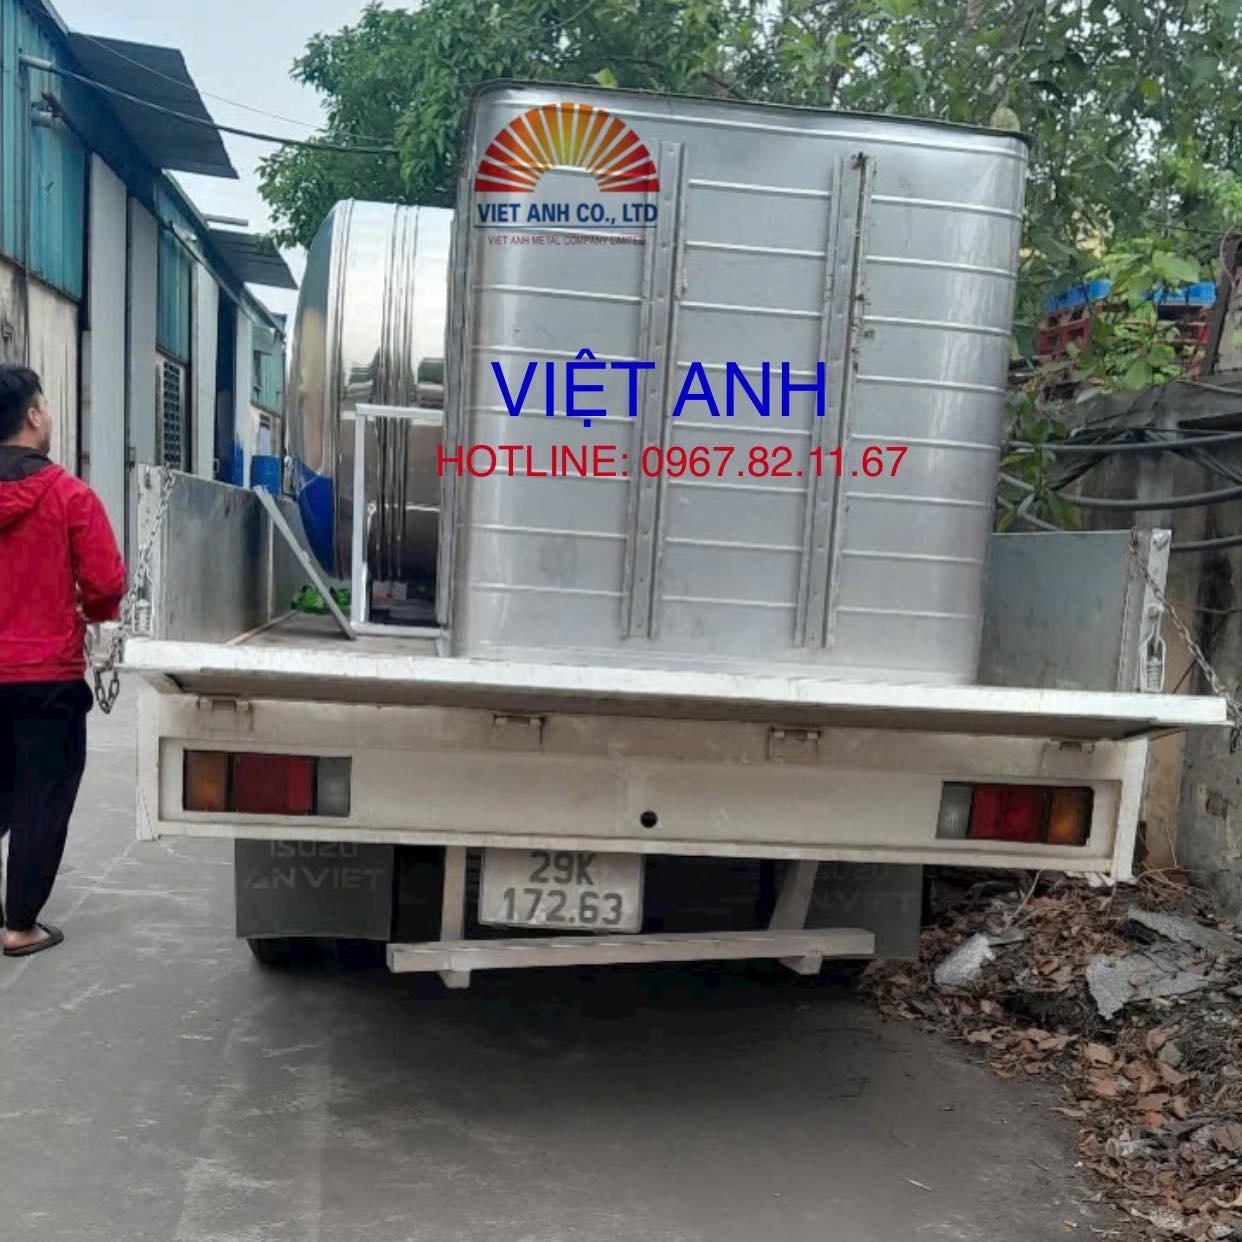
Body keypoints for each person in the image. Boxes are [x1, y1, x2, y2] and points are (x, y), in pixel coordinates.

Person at [0, 365, 125, 957]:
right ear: (32, 415)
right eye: (45, 405)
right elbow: (105, 583)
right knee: (41, 800)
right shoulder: (70, 497)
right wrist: (89, 610)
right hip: (45, 678)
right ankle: (19, 926)